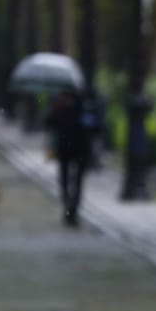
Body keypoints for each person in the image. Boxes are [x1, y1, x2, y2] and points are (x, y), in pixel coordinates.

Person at [45, 89, 96, 227]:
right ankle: (68, 207)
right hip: (65, 150)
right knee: (64, 181)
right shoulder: (59, 103)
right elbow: (49, 122)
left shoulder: (84, 104)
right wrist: (57, 107)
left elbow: (93, 127)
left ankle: (73, 211)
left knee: (78, 182)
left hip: (81, 149)